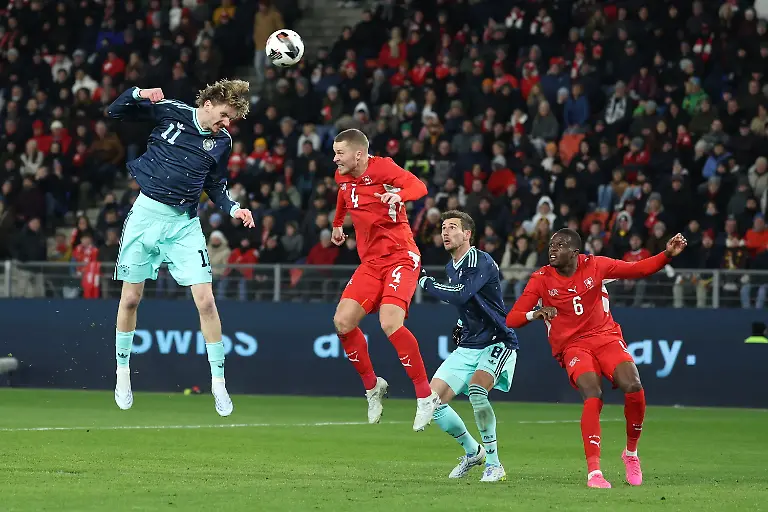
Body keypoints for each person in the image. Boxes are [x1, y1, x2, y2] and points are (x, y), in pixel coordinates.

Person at [107, 79, 255, 417]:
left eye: (231, 119)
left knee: (206, 301)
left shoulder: (222, 142)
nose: (226, 123)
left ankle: (218, 382)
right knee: (130, 299)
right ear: (208, 104)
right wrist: (140, 93)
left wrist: (234, 208)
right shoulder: (171, 111)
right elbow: (116, 111)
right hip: (146, 216)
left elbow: (216, 186)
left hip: (183, 225)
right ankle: (122, 374)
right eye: (224, 115)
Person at [506, 228, 687, 488]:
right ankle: (594, 472)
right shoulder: (541, 278)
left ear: (575, 252)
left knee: (633, 385)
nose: (553, 249)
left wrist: (667, 254)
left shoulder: (595, 265)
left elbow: (638, 270)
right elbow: (512, 318)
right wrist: (535, 313)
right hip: (573, 346)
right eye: (552, 245)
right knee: (593, 393)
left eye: (560, 245)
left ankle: (631, 453)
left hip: (605, 337)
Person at [331, 128, 440, 431]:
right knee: (342, 322)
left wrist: (398, 195)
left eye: (340, 153)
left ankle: (425, 395)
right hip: (371, 263)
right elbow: (343, 194)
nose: (335, 159)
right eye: (334, 152)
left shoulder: (384, 168)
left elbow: (419, 186)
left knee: (390, 322)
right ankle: (372, 387)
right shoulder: (343, 176)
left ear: (358, 154)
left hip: (401, 256)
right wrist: (338, 223)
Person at [418, 210, 519, 483]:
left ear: (467, 234)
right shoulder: (452, 266)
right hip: (471, 343)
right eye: (443, 228)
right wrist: (462, 323)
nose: (446, 232)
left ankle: (495, 465)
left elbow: (462, 293)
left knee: (477, 390)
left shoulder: (479, 260)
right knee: (431, 401)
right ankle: (473, 452)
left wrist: (425, 281)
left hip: (497, 340)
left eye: (452, 227)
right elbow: (472, 302)